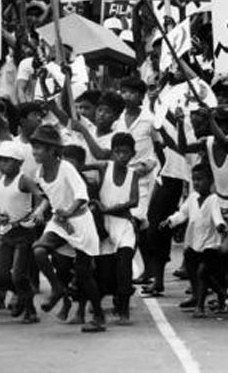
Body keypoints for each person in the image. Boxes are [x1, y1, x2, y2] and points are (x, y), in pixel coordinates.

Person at [28, 125, 105, 332]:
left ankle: (98, 315)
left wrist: (68, 211)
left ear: (53, 150)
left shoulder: (66, 168)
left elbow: (81, 196)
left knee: (83, 273)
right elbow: (48, 196)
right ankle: (57, 288)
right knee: (39, 250)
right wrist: (42, 209)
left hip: (79, 222)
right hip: (60, 222)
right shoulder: (39, 172)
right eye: (33, 148)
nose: (35, 152)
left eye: (39, 148)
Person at [83, 132, 144, 325]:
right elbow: (79, 167)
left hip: (123, 224)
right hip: (104, 225)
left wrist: (108, 208)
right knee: (105, 270)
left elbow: (133, 201)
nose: (121, 156)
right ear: (112, 152)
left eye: (125, 153)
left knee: (124, 264)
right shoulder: (103, 167)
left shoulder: (134, 174)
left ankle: (124, 310)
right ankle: (105, 303)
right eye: (117, 152)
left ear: (132, 154)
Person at [163, 165, 228, 318]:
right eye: (194, 180)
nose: (197, 183)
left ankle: (200, 305)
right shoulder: (192, 198)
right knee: (192, 268)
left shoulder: (213, 200)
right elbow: (182, 213)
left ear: (210, 180)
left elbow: (217, 216)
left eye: (200, 179)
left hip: (210, 244)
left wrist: (220, 226)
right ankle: (215, 293)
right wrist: (170, 220)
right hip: (194, 242)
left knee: (203, 272)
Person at [0, 140, 39, 323]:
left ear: (18, 163)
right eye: (0, 160)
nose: (2, 164)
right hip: (6, 233)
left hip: (23, 233)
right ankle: (26, 295)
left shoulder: (24, 180)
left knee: (18, 275)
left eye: (7, 161)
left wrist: (36, 214)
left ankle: (30, 309)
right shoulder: (2, 180)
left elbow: (39, 195)